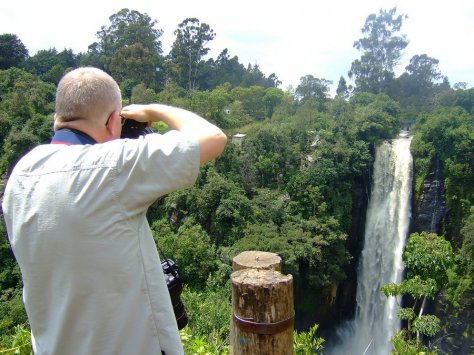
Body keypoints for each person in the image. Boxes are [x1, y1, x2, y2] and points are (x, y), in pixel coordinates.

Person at [2, 67, 227, 355]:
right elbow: (213, 137)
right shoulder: (110, 166)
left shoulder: (20, 174)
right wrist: (152, 110)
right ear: (112, 121)